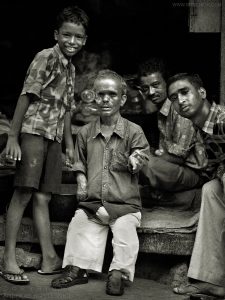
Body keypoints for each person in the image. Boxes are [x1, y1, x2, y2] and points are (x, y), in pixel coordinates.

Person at [0, 5, 89, 284]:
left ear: (84, 40)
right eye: (67, 35)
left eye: (78, 37)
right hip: (33, 132)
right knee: (24, 193)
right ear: (56, 34)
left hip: (52, 138)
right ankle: (8, 258)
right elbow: (26, 97)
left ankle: (49, 257)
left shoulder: (71, 68)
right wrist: (13, 137)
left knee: (44, 197)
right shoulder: (45, 58)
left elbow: (64, 111)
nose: (72, 42)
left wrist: (69, 147)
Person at [51, 69, 150, 296]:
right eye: (101, 94)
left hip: (124, 205)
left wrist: (136, 159)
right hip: (93, 204)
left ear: (122, 99)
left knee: (126, 237)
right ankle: (77, 269)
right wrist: (82, 182)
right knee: (79, 226)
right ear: (93, 96)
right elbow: (80, 164)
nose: (106, 99)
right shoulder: (85, 132)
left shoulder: (134, 131)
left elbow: (142, 154)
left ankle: (119, 273)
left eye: (112, 94)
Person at [167, 72, 225, 299]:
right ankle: (213, 281)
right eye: (173, 97)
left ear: (201, 93)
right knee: (210, 190)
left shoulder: (221, 119)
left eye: (184, 92)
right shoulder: (202, 129)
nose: (179, 100)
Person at [136, 58, 208, 206]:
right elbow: (166, 152)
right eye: (145, 88)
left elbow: (179, 158)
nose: (151, 92)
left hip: (193, 173)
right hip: (176, 168)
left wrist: (150, 155)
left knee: (145, 164)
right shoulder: (161, 110)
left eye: (156, 85)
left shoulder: (180, 107)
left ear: (167, 84)